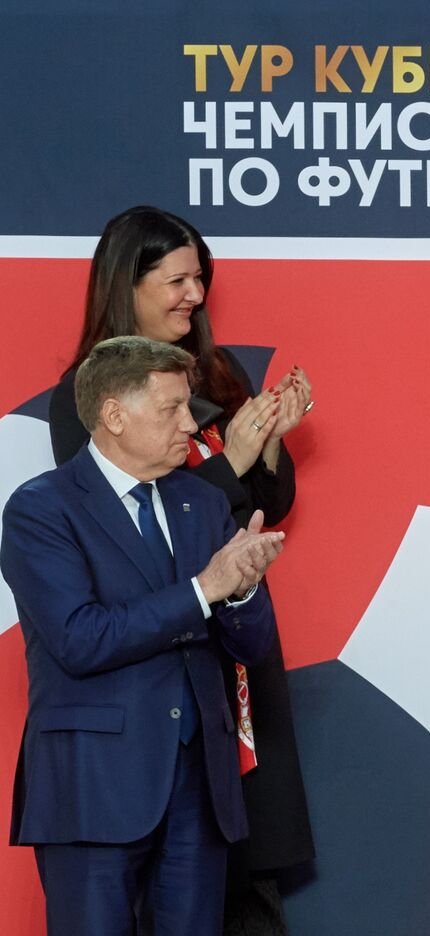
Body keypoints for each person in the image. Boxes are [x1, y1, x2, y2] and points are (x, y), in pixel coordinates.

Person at [48, 206, 315, 933]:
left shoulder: (216, 373)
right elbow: (131, 527)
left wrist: (265, 445)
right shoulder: (89, 397)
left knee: (243, 867)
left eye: (202, 278)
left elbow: (257, 507)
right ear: (125, 285)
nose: (194, 295)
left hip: (230, 651)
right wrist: (228, 461)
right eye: (177, 279)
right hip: (152, 672)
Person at [2, 336, 285, 935]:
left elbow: (252, 647)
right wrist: (204, 589)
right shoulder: (40, 509)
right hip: (91, 787)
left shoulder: (203, 502)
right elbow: (80, 639)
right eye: (171, 409)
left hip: (198, 796)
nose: (191, 424)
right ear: (113, 415)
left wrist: (242, 588)